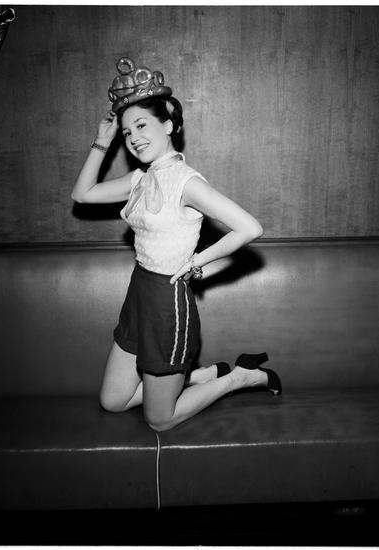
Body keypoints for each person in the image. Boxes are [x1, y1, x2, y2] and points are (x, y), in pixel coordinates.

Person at [71, 57, 282, 432]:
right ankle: (202, 376)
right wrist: (102, 142)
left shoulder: (186, 182)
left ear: (168, 125)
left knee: (159, 420)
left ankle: (240, 376)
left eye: (142, 125)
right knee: (113, 401)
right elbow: (82, 194)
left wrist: (197, 262)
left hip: (168, 303)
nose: (133, 138)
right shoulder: (139, 178)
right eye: (127, 132)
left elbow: (250, 228)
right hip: (139, 293)